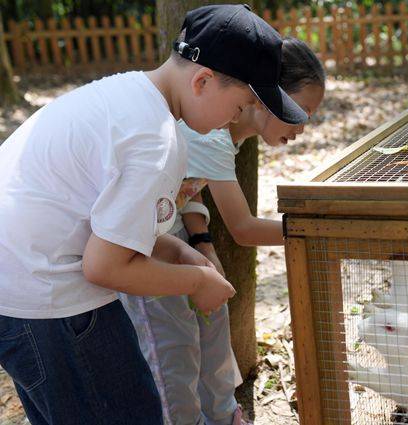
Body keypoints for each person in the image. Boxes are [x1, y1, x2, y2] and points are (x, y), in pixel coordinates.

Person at [0, 5, 307, 425]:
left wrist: (178, 250)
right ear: (203, 81)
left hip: (20, 288)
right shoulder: (157, 142)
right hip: (47, 298)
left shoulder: (128, 94)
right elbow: (105, 266)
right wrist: (195, 281)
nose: (235, 119)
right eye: (240, 106)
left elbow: (107, 220)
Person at [120, 37, 325, 425]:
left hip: (173, 228)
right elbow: (245, 229)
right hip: (142, 240)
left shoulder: (224, 133)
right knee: (173, 345)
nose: (303, 125)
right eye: (301, 110)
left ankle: (222, 413)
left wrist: (202, 242)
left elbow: (187, 187)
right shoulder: (212, 133)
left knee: (213, 320)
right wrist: (315, 231)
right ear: (268, 96)